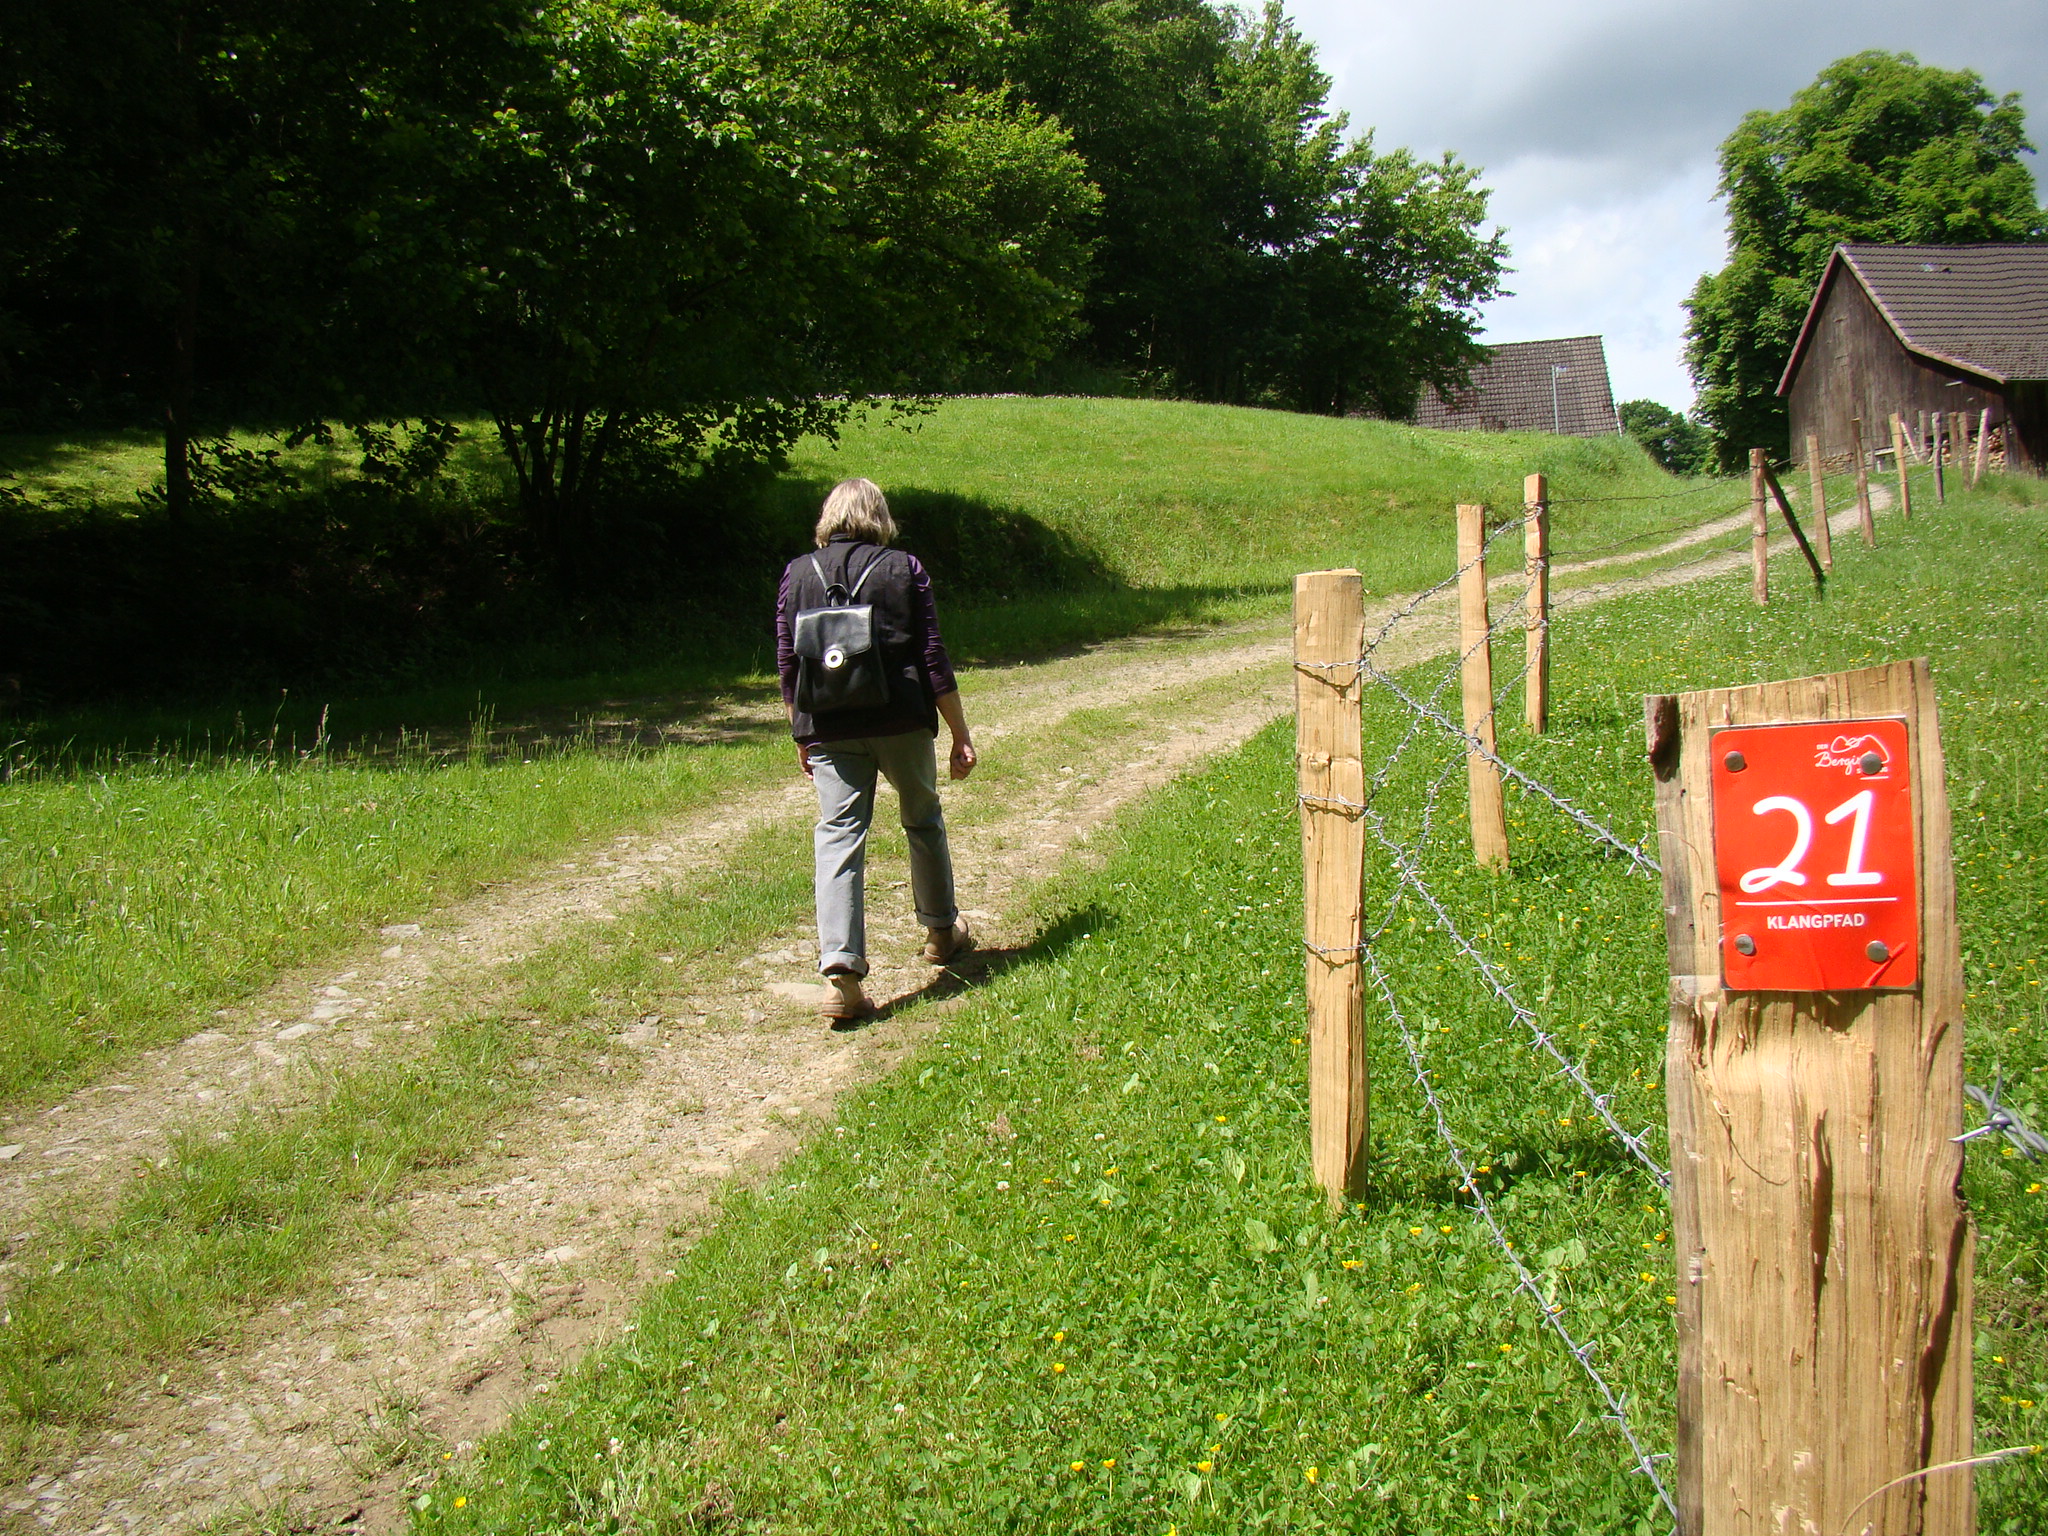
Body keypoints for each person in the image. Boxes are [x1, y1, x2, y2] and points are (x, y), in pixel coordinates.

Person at [775, 478, 976, 1022]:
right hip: (901, 719)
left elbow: (789, 662)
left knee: (838, 835)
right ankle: (941, 932)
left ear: (830, 517)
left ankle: (841, 977)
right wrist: (959, 732)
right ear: (879, 517)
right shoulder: (905, 569)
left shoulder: (797, 574)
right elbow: (931, 656)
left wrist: (801, 732)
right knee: (922, 819)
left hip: (829, 724)